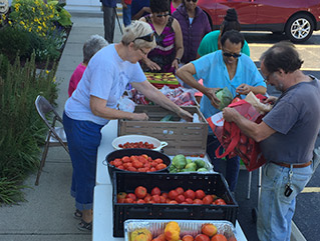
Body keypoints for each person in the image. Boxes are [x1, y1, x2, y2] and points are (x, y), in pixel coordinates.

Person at [63, 21, 193, 232]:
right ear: (131, 45)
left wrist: (177, 110)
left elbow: (148, 89)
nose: (145, 57)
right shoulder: (107, 62)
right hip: (81, 121)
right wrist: (132, 116)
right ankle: (87, 217)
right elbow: (97, 108)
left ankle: (81, 206)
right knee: (87, 170)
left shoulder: (128, 61)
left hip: (91, 121)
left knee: (84, 167)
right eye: (143, 52)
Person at [222, 42, 320, 241]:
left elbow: (258, 133)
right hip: (299, 167)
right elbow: (302, 112)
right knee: (282, 219)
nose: (267, 83)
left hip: (284, 173)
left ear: (282, 71)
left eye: (268, 76)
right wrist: (279, 103)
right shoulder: (312, 83)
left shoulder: (294, 99)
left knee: (271, 229)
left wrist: (234, 116)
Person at [176, 30, 266, 192]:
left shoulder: (246, 62)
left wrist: (250, 88)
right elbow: (181, 72)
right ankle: (212, 192)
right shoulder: (211, 59)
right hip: (213, 121)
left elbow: (262, 88)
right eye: (227, 54)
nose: (231, 58)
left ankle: (229, 192)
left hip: (237, 123)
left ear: (241, 51)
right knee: (213, 159)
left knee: (233, 159)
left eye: (236, 55)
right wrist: (206, 90)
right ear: (220, 47)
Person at [139, 0, 184, 73]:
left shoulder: (173, 23)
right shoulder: (144, 22)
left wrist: (177, 59)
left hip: (168, 68)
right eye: (159, 16)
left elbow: (180, 47)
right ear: (152, 12)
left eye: (166, 15)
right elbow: (135, 47)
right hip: (146, 67)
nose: (163, 18)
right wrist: (146, 60)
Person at [172, 0, 211, 64]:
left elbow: (207, 36)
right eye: (188, 0)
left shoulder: (203, 16)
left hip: (197, 61)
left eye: (194, 0)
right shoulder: (176, 15)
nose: (191, 3)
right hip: (178, 60)